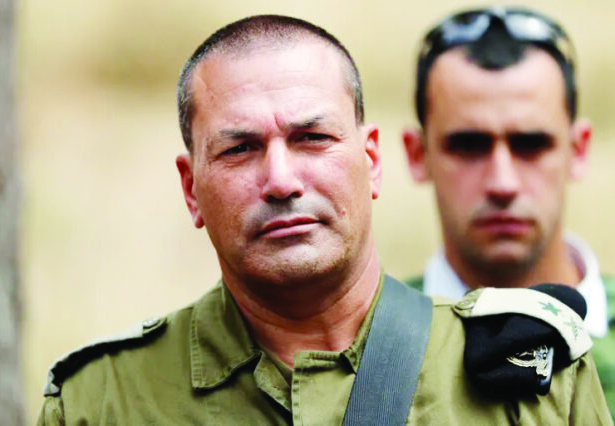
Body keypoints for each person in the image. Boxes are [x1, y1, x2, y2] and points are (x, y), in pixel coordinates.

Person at [37, 14, 611, 424]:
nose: (281, 180)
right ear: (191, 189)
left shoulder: (531, 381)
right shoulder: (101, 401)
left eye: (312, 138)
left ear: (372, 162)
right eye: (240, 148)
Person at [402, 6, 615, 420]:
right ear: (417, 155)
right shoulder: (365, 344)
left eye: (531, 144)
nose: (503, 183)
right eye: (468, 145)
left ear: (578, 149)